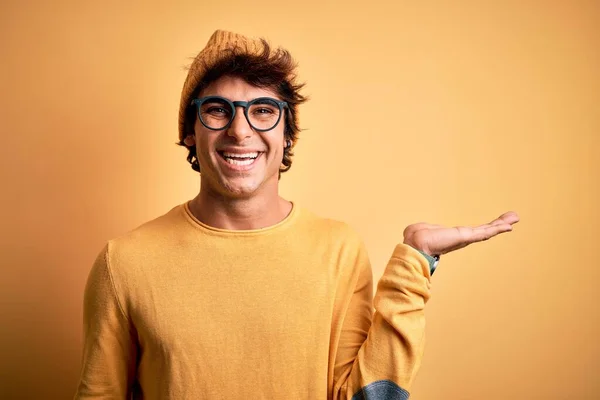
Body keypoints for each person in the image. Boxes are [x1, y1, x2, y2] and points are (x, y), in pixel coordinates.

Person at [74, 30, 519, 400]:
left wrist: (415, 263)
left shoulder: (337, 249)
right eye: (217, 110)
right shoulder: (124, 262)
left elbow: (364, 396)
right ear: (190, 134)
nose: (240, 129)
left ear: (288, 137)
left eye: (263, 111)